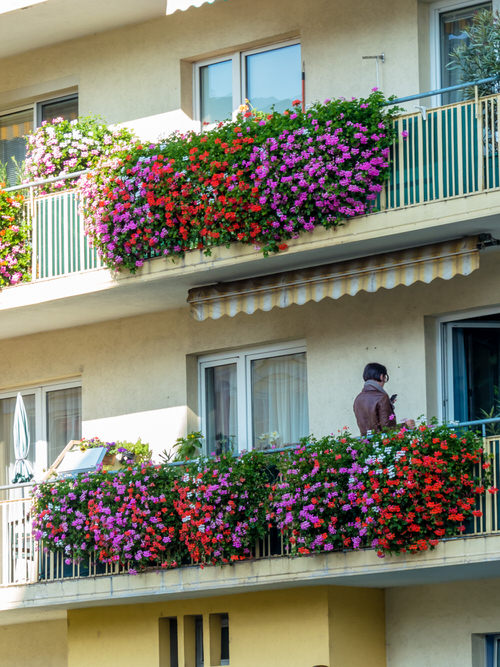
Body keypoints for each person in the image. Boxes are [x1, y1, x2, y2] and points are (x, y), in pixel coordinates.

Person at [353, 362, 415, 436]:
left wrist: (388, 405)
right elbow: (387, 429)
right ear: (381, 376)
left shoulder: (358, 398)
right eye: (385, 377)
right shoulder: (382, 397)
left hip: (365, 444)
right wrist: (405, 425)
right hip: (382, 444)